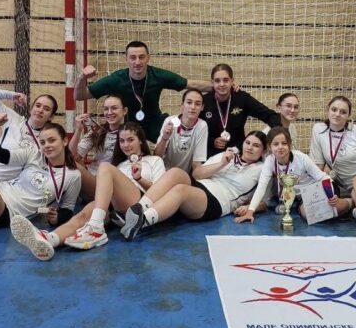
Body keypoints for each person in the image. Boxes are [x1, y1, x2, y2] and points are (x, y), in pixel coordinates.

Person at [10, 122, 165, 258]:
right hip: (115, 209)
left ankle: (96, 227)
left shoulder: (154, 160)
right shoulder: (119, 165)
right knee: (82, 216)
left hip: (138, 202)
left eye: (130, 140)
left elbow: (160, 191)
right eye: (122, 141)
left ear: (141, 140)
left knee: (105, 167)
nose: (125, 145)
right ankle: (49, 239)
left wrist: (139, 179)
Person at [119, 130, 268, 241]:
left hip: (218, 200)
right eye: (248, 143)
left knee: (180, 190)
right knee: (175, 172)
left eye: (256, 146)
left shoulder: (262, 169)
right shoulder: (226, 156)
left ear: (264, 151)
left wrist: (250, 208)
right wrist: (222, 163)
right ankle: (138, 209)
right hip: (202, 185)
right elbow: (197, 174)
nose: (250, 147)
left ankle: (141, 221)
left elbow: (266, 201)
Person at [73, 40, 209, 143]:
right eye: (133, 57)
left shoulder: (158, 75)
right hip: (125, 125)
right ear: (126, 59)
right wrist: (82, 78)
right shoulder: (116, 79)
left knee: (173, 138)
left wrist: (218, 86)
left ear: (148, 58)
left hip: (153, 123)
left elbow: (190, 84)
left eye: (141, 57)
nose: (137, 62)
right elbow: (79, 96)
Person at [0, 117, 80, 230]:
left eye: (52, 140)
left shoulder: (73, 175)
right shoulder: (34, 154)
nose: (46, 145)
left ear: (65, 141)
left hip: (7, 209)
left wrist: (56, 219)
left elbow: (68, 209)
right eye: (42, 142)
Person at [234, 126, 350, 222]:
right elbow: (261, 186)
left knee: (324, 208)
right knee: (307, 214)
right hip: (302, 197)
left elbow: (323, 177)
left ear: (290, 145)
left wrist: (330, 195)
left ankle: (350, 202)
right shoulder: (270, 161)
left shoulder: (302, 158)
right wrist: (250, 212)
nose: (280, 147)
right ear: (269, 147)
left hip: (323, 188)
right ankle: (335, 209)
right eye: (275, 144)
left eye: (284, 143)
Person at [0, 88, 58, 181]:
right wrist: (11, 95)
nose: (40, 110)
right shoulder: (13, 119)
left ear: (50, 117)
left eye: (46, 109)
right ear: (31, 109)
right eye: (38, 106)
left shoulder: (46, 141)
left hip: (5, 186)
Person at [200, 64, 278, 156]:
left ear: (232, 81)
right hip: (211, 156)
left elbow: (270, 115)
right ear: (212, 82)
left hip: (238, 155)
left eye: (226, 80)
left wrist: (277, 137)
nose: (222, 84)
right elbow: (195, 132)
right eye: (217, 81)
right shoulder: (204, 101)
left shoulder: (242, 98)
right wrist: (212, 141)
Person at [309, 95, 356, 202]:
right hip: (348, 187)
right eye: (334, 110)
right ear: (328, 110)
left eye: (343, 112)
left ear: (348, 115)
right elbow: (318, 165)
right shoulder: (318, 130)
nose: (337, 114)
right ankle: (351, 203)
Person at [69, 95, 128, 200]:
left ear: (124, 111)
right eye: (106, 109)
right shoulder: (98, 131)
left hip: (116, 184)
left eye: (114, 108)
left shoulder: (132, 132)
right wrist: (78, 130)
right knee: (70, 162)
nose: (109, 112)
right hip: (93, 179)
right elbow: (71, 156)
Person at [155, 88, 208, 174]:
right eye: (189, 102)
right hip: (163, 173)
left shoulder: (202, 125)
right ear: (182, 105)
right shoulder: (170, 121)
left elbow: (197, 164)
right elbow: (157, 157)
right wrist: (164, 138)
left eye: (197, 104)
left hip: (184, 175)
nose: (193, 107)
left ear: (202, 107)